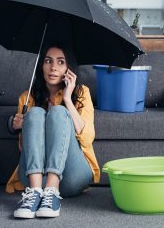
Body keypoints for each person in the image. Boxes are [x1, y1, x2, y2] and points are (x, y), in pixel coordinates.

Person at [8, 44, 100, 219]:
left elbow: (87, 138)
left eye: (60, 62)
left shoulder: (82, 93)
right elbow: (23, 150)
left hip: (72, 176)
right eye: (48, 61)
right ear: (41, 66)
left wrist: (67, 99)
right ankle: (35, 193)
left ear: (68, 69)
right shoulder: (27, 97)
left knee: (58, 111)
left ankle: (52, 190)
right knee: (34, 113)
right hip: (34, 178)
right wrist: (21, 127)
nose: (53, 67)